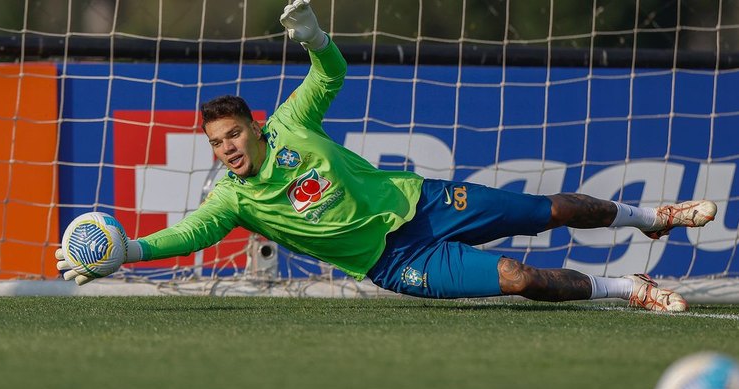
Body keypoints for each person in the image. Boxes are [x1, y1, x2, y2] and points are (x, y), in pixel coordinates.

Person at [56, 0, 717, 312]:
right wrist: (128, 252)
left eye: (231, 136)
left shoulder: (291, 122)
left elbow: (330, 77)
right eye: (215, 144)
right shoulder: (233, 200)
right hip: (399, 261)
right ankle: (628, 289)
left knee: (544, 209)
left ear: (254, 128)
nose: (225, 149)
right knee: (518, 278)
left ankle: (646, 214)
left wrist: (315, 38)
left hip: (420, 203)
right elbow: (188, 233)